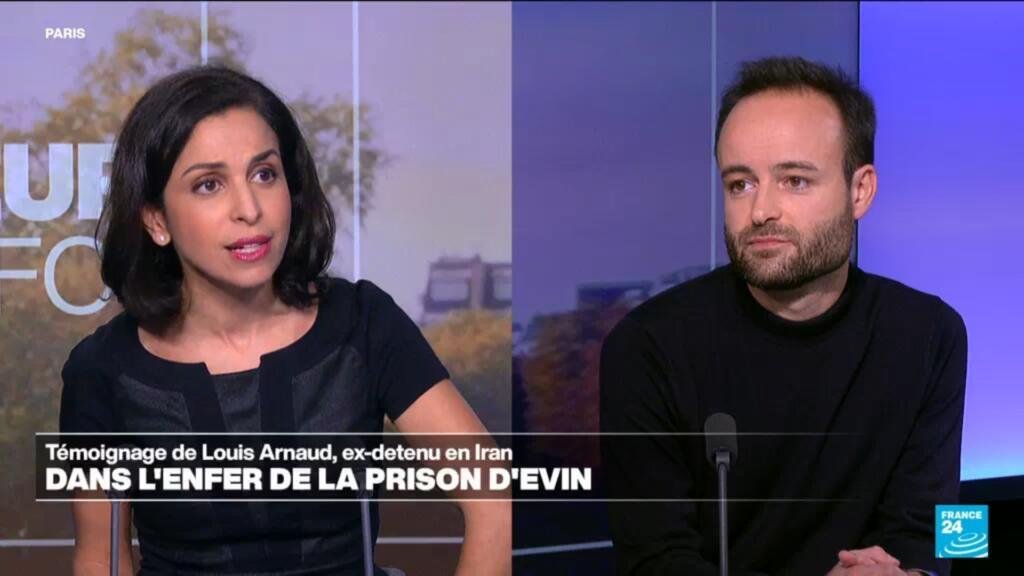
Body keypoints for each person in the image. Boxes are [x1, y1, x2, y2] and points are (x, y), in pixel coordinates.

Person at [59, 66, 511, 576]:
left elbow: (493, 498)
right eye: (209, 184)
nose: (249, 208)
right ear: (156, 220)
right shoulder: (102, 370)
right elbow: (100, 558)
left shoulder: (362, 324)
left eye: (264, 174)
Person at [599, 56, 967, 576]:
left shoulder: (931, 333)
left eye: (794, 180)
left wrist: (911, 574)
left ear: (860, 190)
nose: (760, 211)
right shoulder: (646, 347)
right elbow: (652, 560)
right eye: (740, 184)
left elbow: (947, 532)